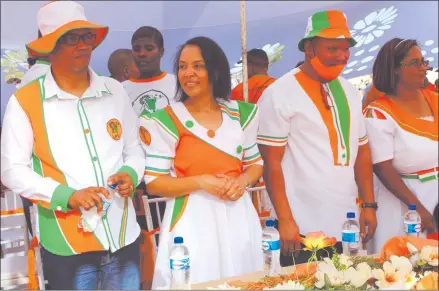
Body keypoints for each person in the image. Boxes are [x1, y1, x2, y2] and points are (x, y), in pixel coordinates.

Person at [0, 1, 145, 289]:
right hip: (68, 241)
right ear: (49, 46)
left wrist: (131, 173)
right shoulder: (26, 101)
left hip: (122, 230)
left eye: (86, 36)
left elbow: (134, 149)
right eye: (70, 38)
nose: (82, 45)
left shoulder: (113, 90)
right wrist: (67, 195)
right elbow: (12, 170)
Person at [139, 36, 264, 288]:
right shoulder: (164, 120)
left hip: (238, 217)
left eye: (198, 66)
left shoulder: (242, 114)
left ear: (215, 69)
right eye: (183, 67)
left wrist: (242, 181)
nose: (188, 74)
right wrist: (201, 182)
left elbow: (255, 164)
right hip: (191, 221)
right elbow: (154, 183)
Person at [257, 10, 378, 265]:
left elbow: (362, 151)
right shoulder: (278, 93)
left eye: (345, 48)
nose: (341, 55)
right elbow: (271, 164)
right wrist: (286, 220)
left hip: (348, 224)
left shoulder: (349, 91)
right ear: (309, 49)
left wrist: (369, 205)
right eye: (332, 48)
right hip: (301, 227)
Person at [364, 38, 438, 252]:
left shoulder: (435, 100)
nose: (424, 68)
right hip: (404, 205)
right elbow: (382, 167)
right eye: (415, 63)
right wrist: (419, 210)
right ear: (394, 70)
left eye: (424, 61)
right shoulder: (377, 113)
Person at [123, 26, 176, 116]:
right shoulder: (122, 89)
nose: (142, 54)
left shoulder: (176, 83)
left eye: (149, 49)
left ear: (161, 52)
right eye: (136, 49)